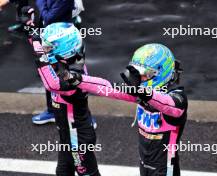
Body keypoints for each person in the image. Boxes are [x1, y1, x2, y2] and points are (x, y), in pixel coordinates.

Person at [39, 42, 188, 176]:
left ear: (161, 73)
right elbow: (107, 87)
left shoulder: (177, 99)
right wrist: (74, 77)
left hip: (165, 170)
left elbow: (168, 105)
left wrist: (141, 92)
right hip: (145, 165)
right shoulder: (141, 92)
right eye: (138, 73)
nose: (140, 78)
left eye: (145, 75)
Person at [35, 22, 100, 176]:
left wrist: (39, 54)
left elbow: (52, 84)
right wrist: (32, 33)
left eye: (50, 48)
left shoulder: (74, 75)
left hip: (79, 142)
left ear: (64, 48)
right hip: (67, 139)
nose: (45, 51)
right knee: (62, 172)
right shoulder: (66, 61)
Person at [32, 0, 98, 128]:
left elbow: (49, 17)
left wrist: (40, 2)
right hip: (50, 38)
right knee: (51, 74)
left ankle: (85, 117)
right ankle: (52, 111)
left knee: (75, 77)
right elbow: (45, 17)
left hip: (66, 41)